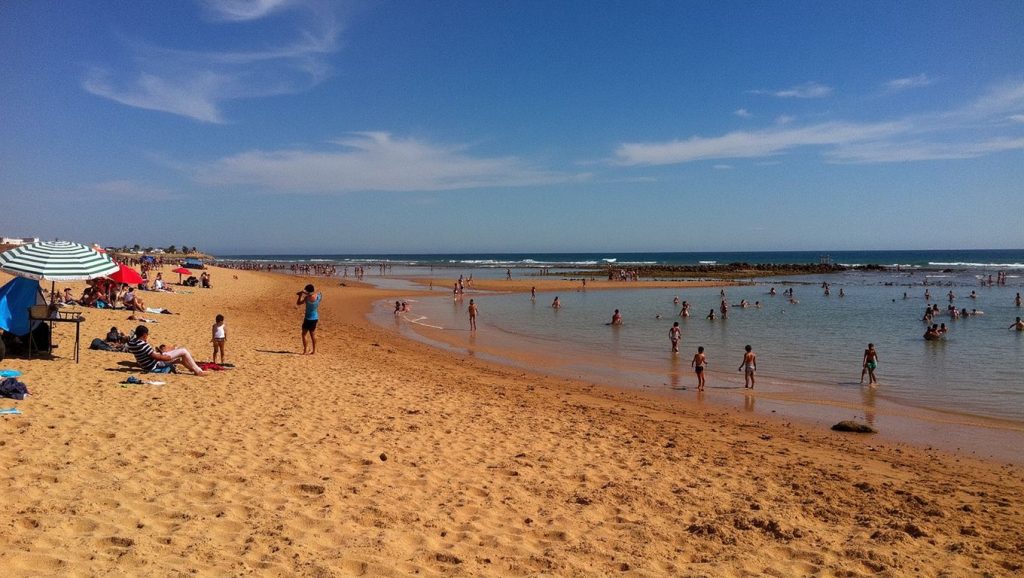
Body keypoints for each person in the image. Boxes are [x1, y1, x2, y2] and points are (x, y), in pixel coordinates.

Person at [126, 325, 205, 376]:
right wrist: (167, 357)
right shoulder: (143, 345)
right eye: (147, 335)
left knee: (180, 358)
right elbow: (156, 357)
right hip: (154, 365)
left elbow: (129, 340)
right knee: (183, 351)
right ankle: (198, 371)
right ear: (144, 335)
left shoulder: (132, 343)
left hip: (146, 365)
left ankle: (193, 369)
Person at [296, 284, 322, 355]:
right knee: (313, 334)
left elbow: (298, 303)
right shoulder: (318, 297)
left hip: (308, 318)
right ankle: (314, 350)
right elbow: (318, 291)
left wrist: (300, 295)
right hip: (315, 317)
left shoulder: (307, 298)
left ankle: (305, 350)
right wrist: (307, 292)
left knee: (304, 334)